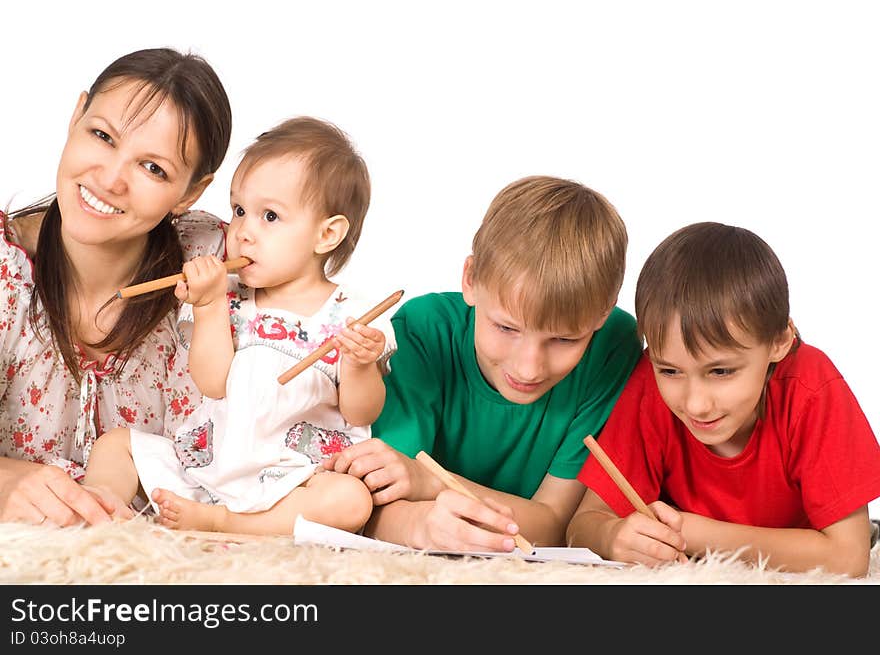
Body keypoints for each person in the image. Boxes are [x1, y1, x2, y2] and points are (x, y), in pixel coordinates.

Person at [83, 116, 394, 536]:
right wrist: (209, 305)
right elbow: (212, 382)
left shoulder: (353, 312)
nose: (243, 231)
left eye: (270, 216)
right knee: (114, 445)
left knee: (351, 500)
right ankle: (95, 521)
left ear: (327, 234)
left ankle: (228, 524)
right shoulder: (228, 296)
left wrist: (359, 363)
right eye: (239, 210)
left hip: (292, 480)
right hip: (207, 464)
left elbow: (362, 411)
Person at [323, 176, 643, 551]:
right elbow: (375, 502)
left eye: (564, 339)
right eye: (506, 327)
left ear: (604, 312)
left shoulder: (614, 346)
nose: (528, 369)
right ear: (471, 279)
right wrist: (419, 524)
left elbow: (557, 525)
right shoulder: (426, 330)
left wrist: (430, 482)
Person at [0, 48, 232, 527]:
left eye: (154, 168)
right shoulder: (7, 271)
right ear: (76, 115)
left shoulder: (219, 264)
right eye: (102, 136)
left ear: (190, 192)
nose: (109, 179)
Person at [567, 222, 880, 577]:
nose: (696, 404)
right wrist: (611, 536)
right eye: (670, 371)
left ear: (779, 341)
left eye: (721, 372)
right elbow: (582, 525)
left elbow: (849, 557)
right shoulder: (648, 384)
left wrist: (692, 532)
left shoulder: (811, 388)